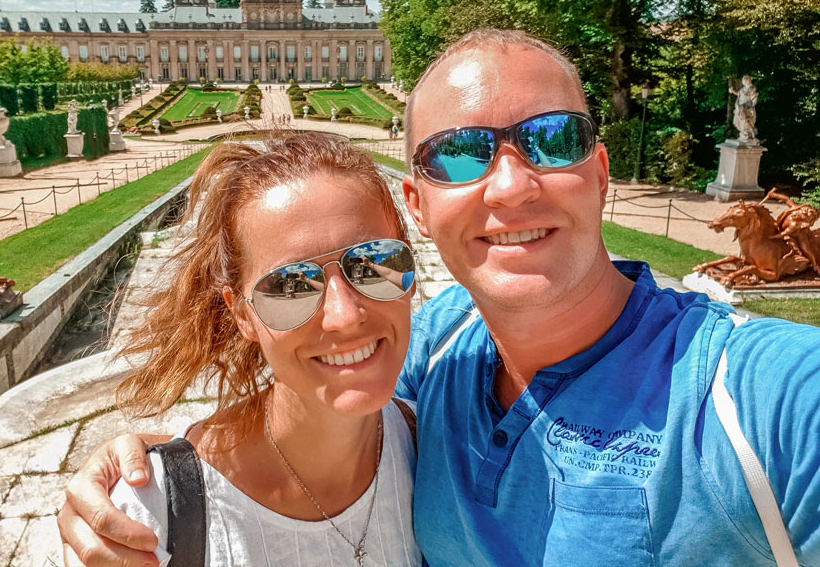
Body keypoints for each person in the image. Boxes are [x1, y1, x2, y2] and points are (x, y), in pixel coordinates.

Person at [59, 29, 820, 566]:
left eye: (553, 139)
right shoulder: (434, 349)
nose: (512, 186)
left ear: (598, 170)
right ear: (418, 206)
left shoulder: (765, 397)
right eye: (459, 154)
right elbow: (321, 378)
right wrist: (163, 471)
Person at [86, 133, 422, 567]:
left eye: (373, 263)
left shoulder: (435, 445)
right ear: (241, 314)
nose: (345, 315)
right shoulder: (149, 516)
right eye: (290, 285)